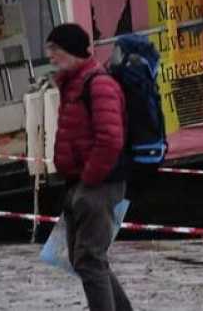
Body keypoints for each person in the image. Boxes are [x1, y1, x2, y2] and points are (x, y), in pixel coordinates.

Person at [47, 22, 133, 311]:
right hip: (80, 184)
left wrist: (89, 180)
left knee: (89, 259)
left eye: (55, 49)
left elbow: (110, 139)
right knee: (84, 258)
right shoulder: (74, 84)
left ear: (72, 50)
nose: (50, 56)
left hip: (98, 184)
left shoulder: (98, 84)